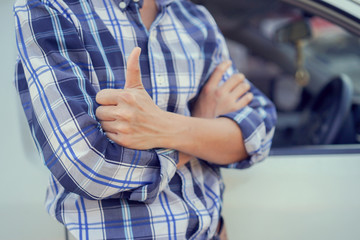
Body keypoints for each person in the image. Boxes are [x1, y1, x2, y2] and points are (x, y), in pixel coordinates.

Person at [14, 0, 276, 239]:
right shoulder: (51, 8)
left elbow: (259, 131)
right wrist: (203, 126)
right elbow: (88, 166)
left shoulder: (194, 17)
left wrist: (162, 128)